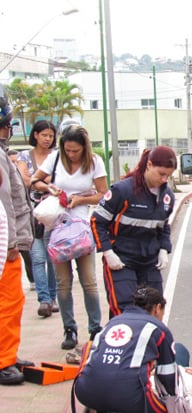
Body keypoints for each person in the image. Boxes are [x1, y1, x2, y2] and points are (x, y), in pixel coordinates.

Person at [74, 286, 192, 413]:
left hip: (86, 391)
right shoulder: (158, 329)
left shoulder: (113, 323)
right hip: (139, 393)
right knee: (181, 355)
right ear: (158, 308)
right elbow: (169, 383)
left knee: (180, 353)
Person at [30, 124, 108, 350]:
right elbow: (34, 181)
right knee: (63, 284)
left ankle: (95, 328)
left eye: (75, 150)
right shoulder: (55, 159)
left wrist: (80, 200)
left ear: (84, 147)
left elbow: (103, 194)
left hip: (82, 228)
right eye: (68, 150)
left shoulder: (95, 162)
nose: (71, 154)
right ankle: (69, 329)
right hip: (57, 228)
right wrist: (51, 188)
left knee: (89, 281)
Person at [91, 146, 176, 318]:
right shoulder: (122, 191)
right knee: (124, 308)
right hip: (122, 259)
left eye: (168, 175)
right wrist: (107, 252)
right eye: (161, 174)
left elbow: (163, 225)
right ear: (149, 165)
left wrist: (163, 249)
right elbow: (97, 221)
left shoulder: (167, 197)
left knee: (154, 308)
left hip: (149, 260)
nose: (164, 179)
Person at [0, 85, 35, 385]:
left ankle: (8, 353)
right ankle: (3, 360)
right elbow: (4, 205)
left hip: (7, 244)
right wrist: (11, 243)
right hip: (5, 247)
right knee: (9, 301)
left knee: (13, 301)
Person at [16, 120, 58, 317]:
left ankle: (53, 296)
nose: (47, 139)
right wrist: (46, 182)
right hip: (31, 212)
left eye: (50, 136)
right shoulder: (25, 155)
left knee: (53, 258)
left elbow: (59, 180)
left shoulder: (57, 156)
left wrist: (37, 180)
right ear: (35, 135)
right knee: (38, 258)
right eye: (44, 135)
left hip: (54, 213)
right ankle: (44, 300)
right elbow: (24, 180)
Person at [6, 148, 36, 291]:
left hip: (22, 225)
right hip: (12, 232)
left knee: (29, 256)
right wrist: (12, 241)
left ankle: (34, 280)